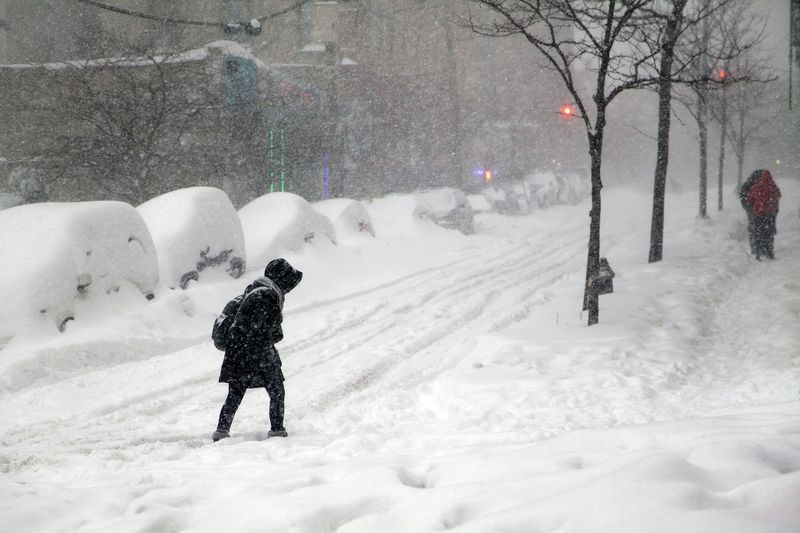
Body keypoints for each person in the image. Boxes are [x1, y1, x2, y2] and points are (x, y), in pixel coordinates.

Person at [213, 258, 303, 441]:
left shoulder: (252, 291)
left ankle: (221, 431)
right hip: (258, 353)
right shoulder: (268, 295)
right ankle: (277, 431)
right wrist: (265, 338)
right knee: (277, 390)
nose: (288, 290)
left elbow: (243, 325)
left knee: (235, 394)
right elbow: (274, 332)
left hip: (238, 353)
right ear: (282, 280)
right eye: (288, 284)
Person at [743, 169, 781, 260]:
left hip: (758, 214)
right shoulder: (773, 187)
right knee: (769, 234)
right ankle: (769, 251)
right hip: (770, 215)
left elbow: (750, 199)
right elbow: (778, 195)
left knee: (758, 233)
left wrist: (755, 207)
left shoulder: (756, 187)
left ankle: (758, 252)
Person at [739, 169, 761, 255]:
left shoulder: (747, 185)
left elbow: (742, 197)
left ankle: (754, 247)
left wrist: (747, 206)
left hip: (751, 210)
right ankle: (758, 247)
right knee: (758, 228)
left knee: (753, 227)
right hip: (758, 210)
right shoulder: (759, 185)